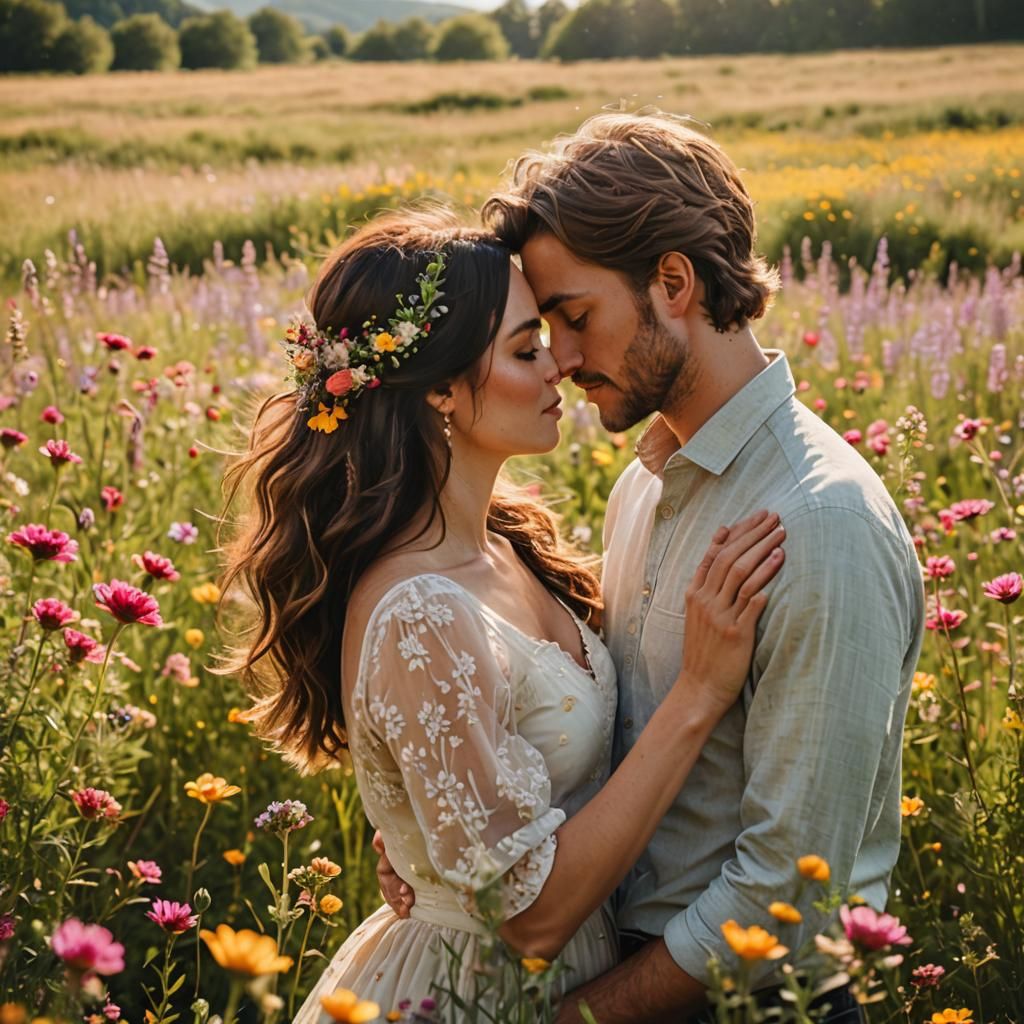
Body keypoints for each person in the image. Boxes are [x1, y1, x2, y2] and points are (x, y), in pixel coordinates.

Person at [379, 114, 926, 1022]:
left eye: (576, 317)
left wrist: (575, 1018)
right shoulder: (644, 488)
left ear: (673, 281)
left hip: (748, 1002)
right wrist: (441, 833)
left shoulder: (818, 522)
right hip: (620, 971)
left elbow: (789, 899)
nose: (559, 357)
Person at [216, 208, 786, 1021]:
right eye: (525, 350)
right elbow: (527, 917)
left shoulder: (509, 546)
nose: (560, 364)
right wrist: (699, 693)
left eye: (550, 335)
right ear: (441, 389)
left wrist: (431, 846)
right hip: (471, 992)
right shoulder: (420, 611)